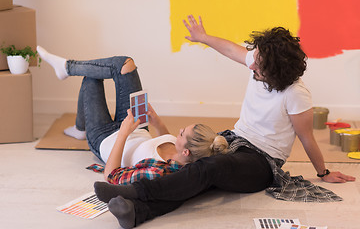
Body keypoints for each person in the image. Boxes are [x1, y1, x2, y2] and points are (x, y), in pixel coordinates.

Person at [92, 15, 356, 229]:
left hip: (261, 162)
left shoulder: (296, 94)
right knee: (192, 179)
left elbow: (306, 137)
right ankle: (135, 212)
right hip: (233, 139)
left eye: (259, 66)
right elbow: (232, 50)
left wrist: (323, 172)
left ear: (277, 71)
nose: (252, 67)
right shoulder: (259, 61)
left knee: (207, 170)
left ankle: (137, 192)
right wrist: (203, 37)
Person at [37, 46, 230, 182]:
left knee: (91, 78)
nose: (178, 130)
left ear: (186, 152)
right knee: (126, 64)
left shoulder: (158, 170)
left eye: (182, 133)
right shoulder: (184, 153)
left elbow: (111, 175)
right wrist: (156, 121)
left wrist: (123, 133)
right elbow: (167, 138)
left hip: (105, 139)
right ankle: (68, 78)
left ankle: (67, 71)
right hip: (135, 126)